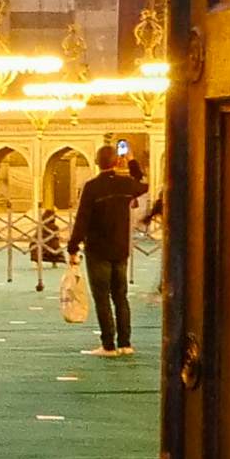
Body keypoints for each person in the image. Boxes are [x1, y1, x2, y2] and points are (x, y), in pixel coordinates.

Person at [71, 139, 141, 356]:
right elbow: (141, 183)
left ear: (96, 162)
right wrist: (131, 161)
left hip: (98, 250)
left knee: (102, 298)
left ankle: (108, 345)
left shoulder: (92, 187)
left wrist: (72, 247)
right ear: (115, 161)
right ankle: (125, 344)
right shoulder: (126, 184)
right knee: (120, 297)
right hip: (120, 249)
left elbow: (82, 219)